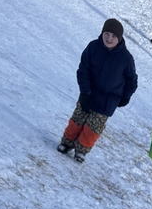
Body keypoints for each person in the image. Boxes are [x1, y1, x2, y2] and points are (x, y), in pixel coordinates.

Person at [57, 19, 137, 163]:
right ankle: (67, 142)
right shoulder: (93, 47)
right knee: (77, 119)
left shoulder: (125, 58)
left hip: (108, 100)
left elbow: (132, 80)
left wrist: (126, 96)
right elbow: (83, 70)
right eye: (107, 34)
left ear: (119, 38)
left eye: (114, 36)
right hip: (89, 93)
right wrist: (84, 92)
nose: (109, 38)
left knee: (93, 127)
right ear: (102, 33)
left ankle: (81, 150)